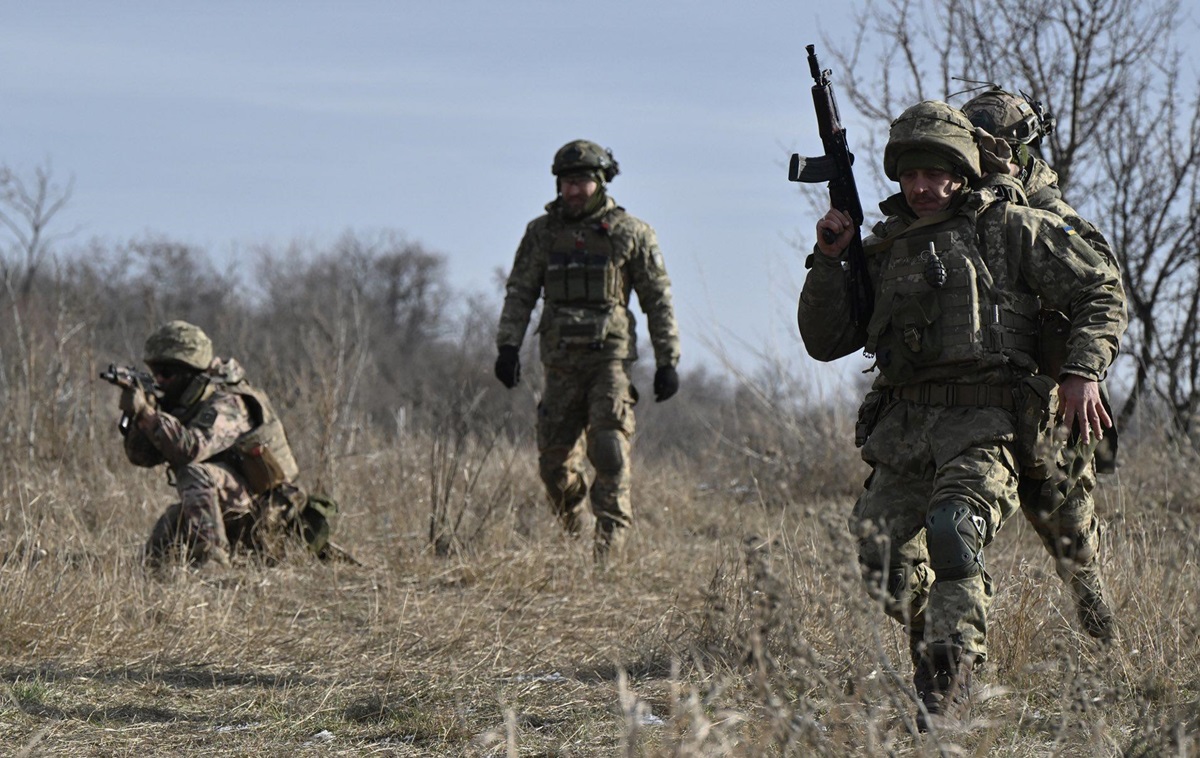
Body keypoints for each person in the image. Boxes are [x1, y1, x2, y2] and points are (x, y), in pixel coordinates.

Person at [796, 101, 1126, 728]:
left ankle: (951, 682)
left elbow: (1100, 288)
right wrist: (831, 259)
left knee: (955, 529)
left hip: (989, 422)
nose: (922, 187)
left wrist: (1083, 373)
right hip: (906, 429)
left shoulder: (1010, 229)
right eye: (910, 175)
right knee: (881, 558)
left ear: (962, 173)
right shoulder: (883, 247)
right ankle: (935, 641)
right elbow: (825, 340)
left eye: (936, 174)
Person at [963, 87, 1118, 639]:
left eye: (995, 145)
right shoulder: (956, 205)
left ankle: (1098, 622)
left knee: (1065, 521)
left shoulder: (1047, 210)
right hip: (977, 396)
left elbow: (1102, 285)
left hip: (1048, 394)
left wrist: (1083, 373)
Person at [494, 139, 680, 566]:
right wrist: (508, 345)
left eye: (582, 182)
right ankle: (573, 525)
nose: (573, 190)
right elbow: (520, 292)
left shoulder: (631, 232)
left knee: (610, 450)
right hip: (559, 362)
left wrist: (668, 359)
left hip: (608, 361)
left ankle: (607, 557)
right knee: (554, 469)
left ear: (600, 182)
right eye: (566, 182)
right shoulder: (542, 234)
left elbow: (658, 299)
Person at [113, 320, 313, 570]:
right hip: (231, 507)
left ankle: (214, 564)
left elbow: (191, 450)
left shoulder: (229, 401)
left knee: (194, 473)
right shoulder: (184, 402)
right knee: (160, 545)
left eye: (166, 373)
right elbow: (141, 457)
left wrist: (148, 414)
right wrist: (139, 417)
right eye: (155, 373)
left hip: (266, 515)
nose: (159, 380)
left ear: (191, 371)